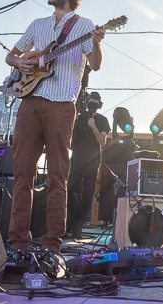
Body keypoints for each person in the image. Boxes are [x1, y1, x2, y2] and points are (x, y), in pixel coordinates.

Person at [5, 0, 104, 252]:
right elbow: (12, 56)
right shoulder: (38, 24)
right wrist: (19, 61)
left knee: (58, 175)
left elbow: (94, 65)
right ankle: (17, 242)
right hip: (30, 100)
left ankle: (52, 244)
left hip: (61, 105)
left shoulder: (84, 26)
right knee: (23, 172)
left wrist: (96, 43)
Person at [66, 90, 109, 240]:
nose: (93, 103)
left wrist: (93, 126)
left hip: (92, 162)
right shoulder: (79, 118)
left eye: (96, 102)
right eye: (91, 100)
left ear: (99, 104)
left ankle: (77, 226)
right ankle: (69, 223)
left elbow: (102, 141)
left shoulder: (102, 120)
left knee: (87, 195)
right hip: (77, 160)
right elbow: (70, 141)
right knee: (68, 189)